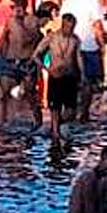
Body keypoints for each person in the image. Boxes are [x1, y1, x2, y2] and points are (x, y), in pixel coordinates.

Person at [32, 12, 84, 145]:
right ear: (63, 25)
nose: (70, 30)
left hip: (70, 76)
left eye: (72, 28)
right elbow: (36, 55)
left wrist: (83, 75)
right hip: (55, 75)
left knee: (71, 111)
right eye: (68, 27)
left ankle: (56, 126)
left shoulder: (75, 39)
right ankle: (55, 133)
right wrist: (47, 69)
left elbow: (78, 58)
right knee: (55, 106)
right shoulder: (52, 37)